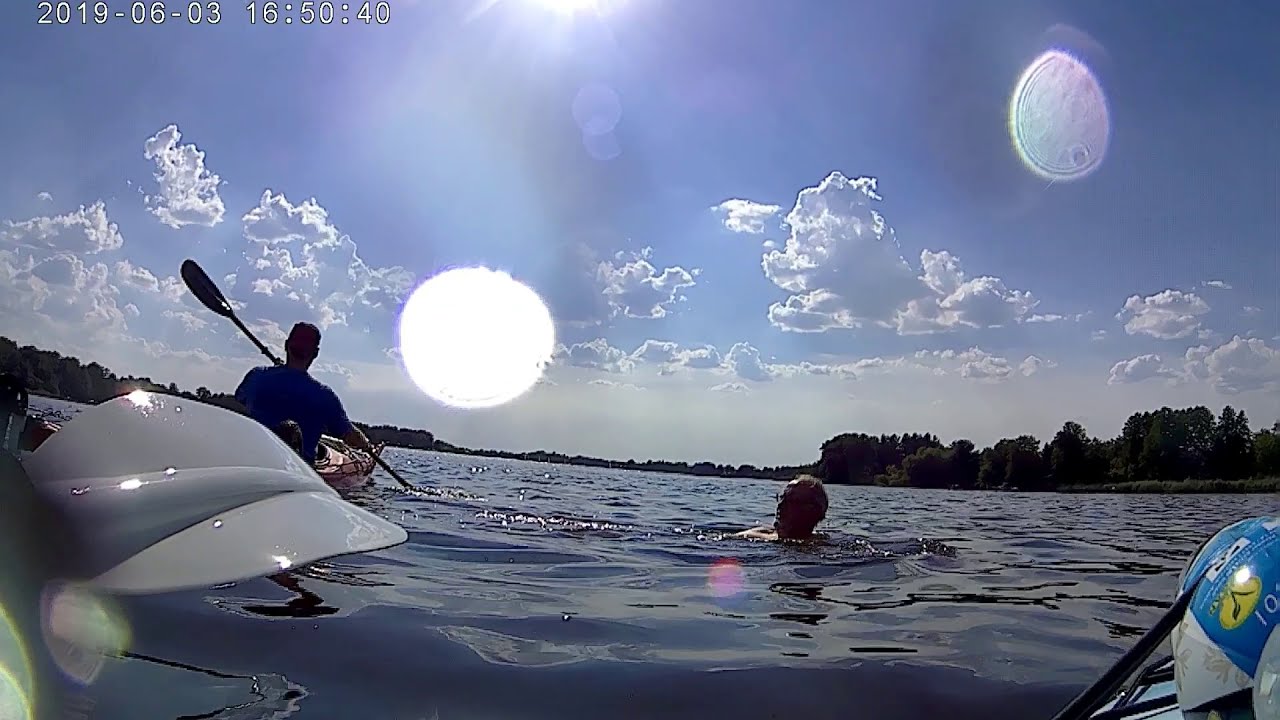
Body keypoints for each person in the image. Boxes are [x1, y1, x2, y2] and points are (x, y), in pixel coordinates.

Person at [234, 322, 374, 467]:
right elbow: (350, 435)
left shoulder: (256, 376)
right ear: (315, 353)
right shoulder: (324, 396)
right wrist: (367, 445)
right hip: (299, 471)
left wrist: (279, 372)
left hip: (250, 461)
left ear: (286, 345)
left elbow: (240, 399)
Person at [736, 474, 829, 541]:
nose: (780, 504)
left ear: (813, 511)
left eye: (791, 500)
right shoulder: (765, 531)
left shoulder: (816, 547)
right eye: (781, 498)